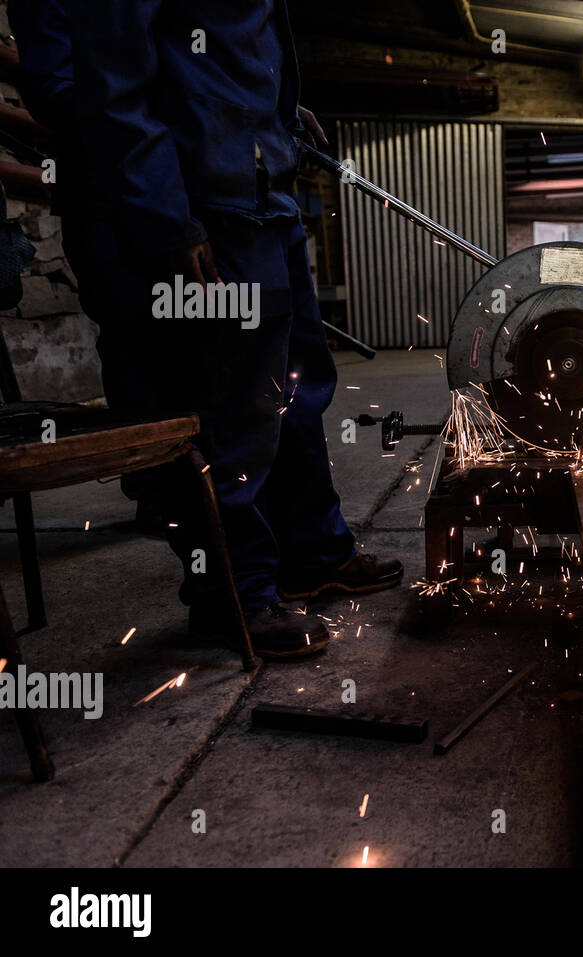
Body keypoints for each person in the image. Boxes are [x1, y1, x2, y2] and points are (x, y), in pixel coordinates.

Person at [10, 0, 402, 659]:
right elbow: (106, 88)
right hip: (199, 202)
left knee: (297, 387)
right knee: (228, 410)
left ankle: (312, 551)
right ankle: (235, 592)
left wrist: (272, 120)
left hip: (259, 193)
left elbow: (227, 47)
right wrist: (165, 211)